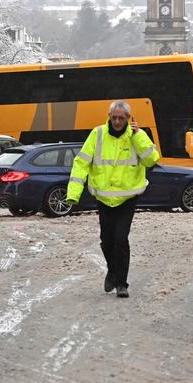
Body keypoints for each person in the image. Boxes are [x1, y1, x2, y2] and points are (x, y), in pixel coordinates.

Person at [67, 100, 160, 298]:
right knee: (106, 240)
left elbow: (152, 159)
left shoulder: (137, 136)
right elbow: (81, 163)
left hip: (127, 198)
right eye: (114, 117)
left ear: (128, 118)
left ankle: (121, 283)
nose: (117, 121)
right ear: (109, 116)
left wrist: (138, 136)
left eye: (121, 118)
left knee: (120, 239)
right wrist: (73, 193)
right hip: (103, 198)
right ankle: (112, 270)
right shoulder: (97, 134)